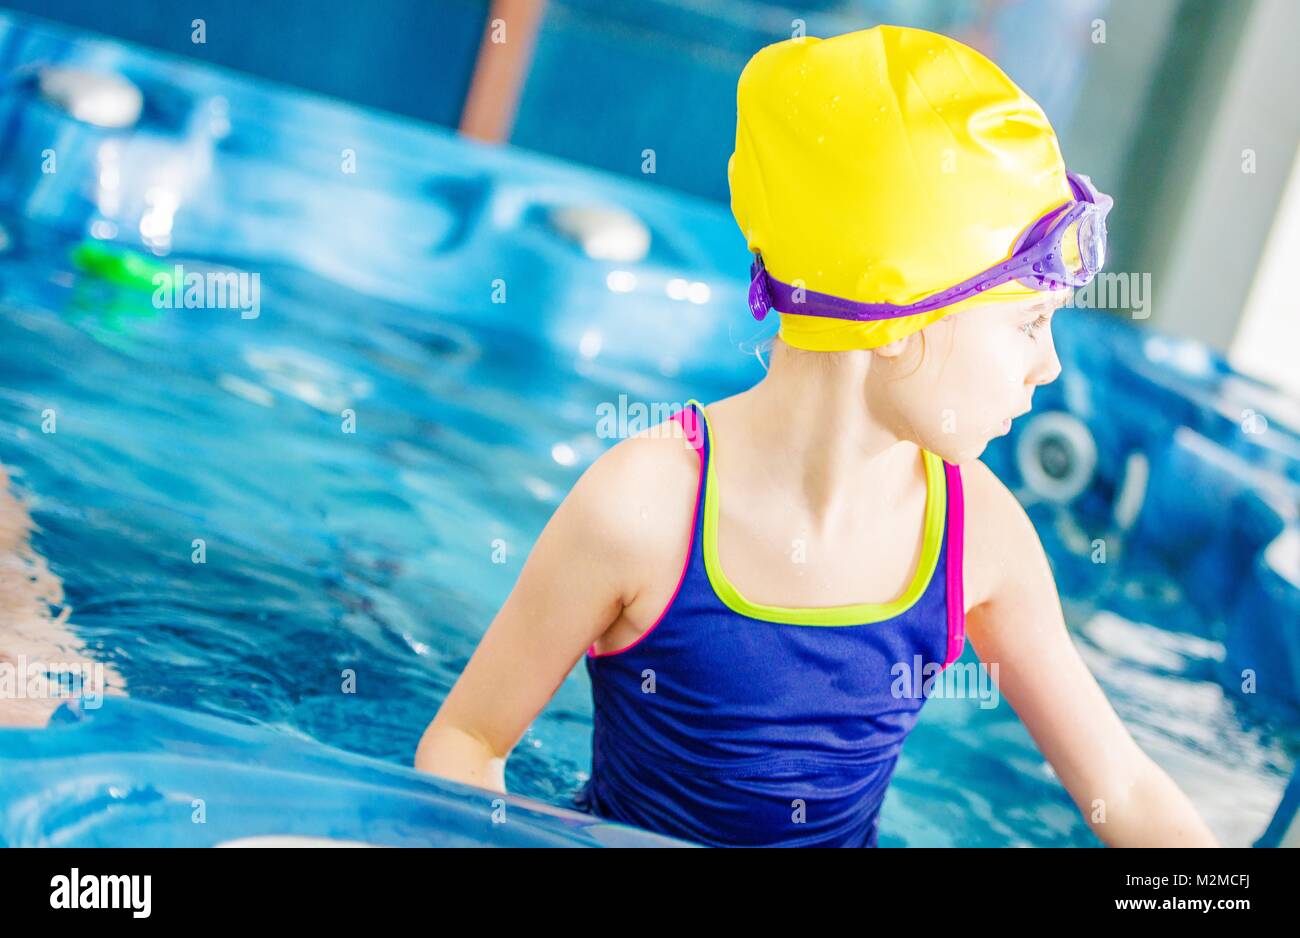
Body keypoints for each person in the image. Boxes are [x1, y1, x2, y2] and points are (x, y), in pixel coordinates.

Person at [415, 25, 1219, 847]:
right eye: (1029, 322)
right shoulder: (645, 508)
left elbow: (1120, 785)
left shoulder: (979, 535)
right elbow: (467, 742)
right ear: (899, 314)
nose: (1048, 366)